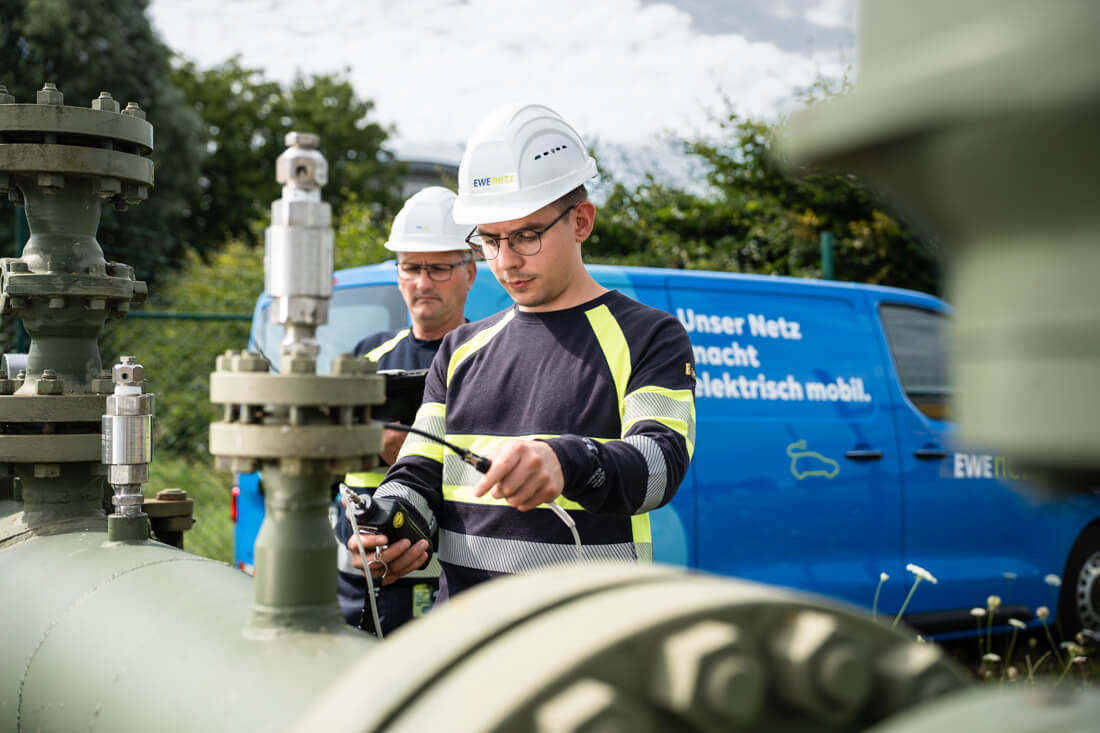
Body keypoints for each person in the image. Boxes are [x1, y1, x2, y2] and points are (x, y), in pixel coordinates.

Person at [348, 103, 696, 600]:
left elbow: (660, 465)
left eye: (526, 236)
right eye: (489, 240)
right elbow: (419, 469)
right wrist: (393, 526)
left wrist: (569, 460)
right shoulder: (459, 349)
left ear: (581, 221)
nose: (506, 261)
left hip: (587, 635)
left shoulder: (649, 335)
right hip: (466, 635)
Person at [335, 186, 476, 633]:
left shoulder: (489, 358)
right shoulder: (366, 359)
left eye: (438, 268)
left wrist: (413, 451)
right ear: (398, 274)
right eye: (411, 267)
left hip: (447, 585)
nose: (422, 281)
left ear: (470, 272)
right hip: (361, 582)